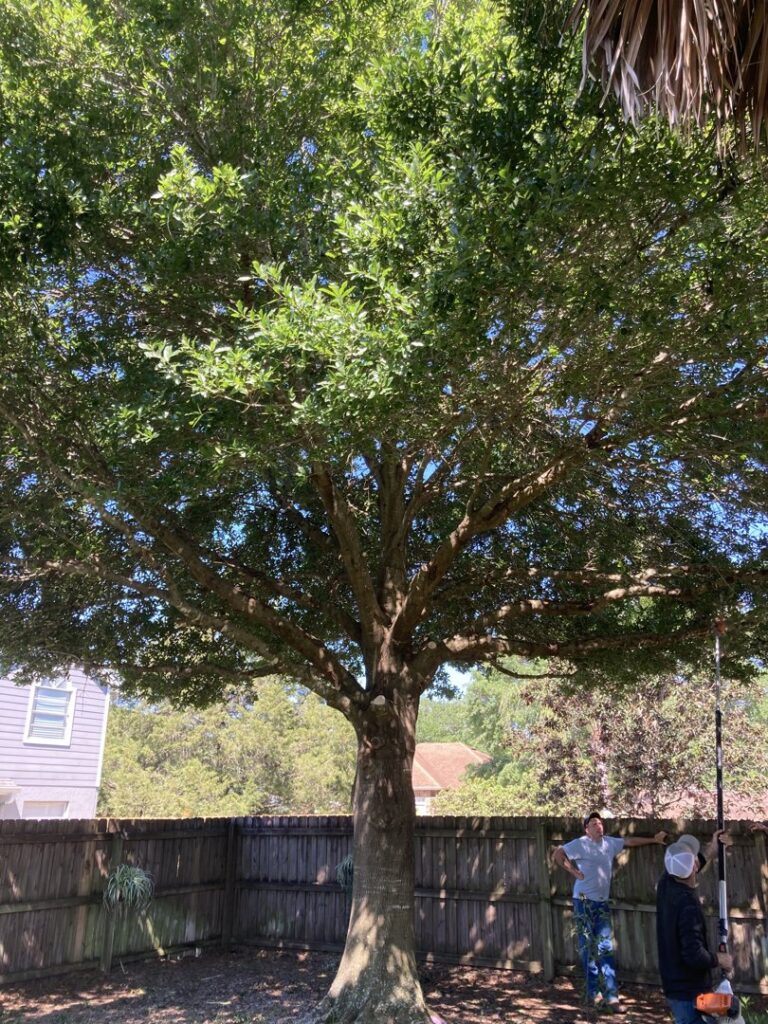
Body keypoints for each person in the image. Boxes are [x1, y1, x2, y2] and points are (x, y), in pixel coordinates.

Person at [554, 812, 668, 1012]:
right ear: (586, 829)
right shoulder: (580, 844)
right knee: (587, 946)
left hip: (601, 902)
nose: (598, 825)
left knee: (605, 947)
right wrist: (573, 871)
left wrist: (653, 839)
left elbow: (630, 841)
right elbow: (558, 854)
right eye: (593, 823)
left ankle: (612, 997)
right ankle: (593, 994)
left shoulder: (609, 843)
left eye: (600, 822)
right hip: (582, 900)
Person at [656, 833, 733, 1024]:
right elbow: (693, 954)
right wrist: (720, 959)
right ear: (694, 867)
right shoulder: (688, 906)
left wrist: (712, 848)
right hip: (689, 994)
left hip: (675, 988)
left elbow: (689, 864)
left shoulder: (666, 883)